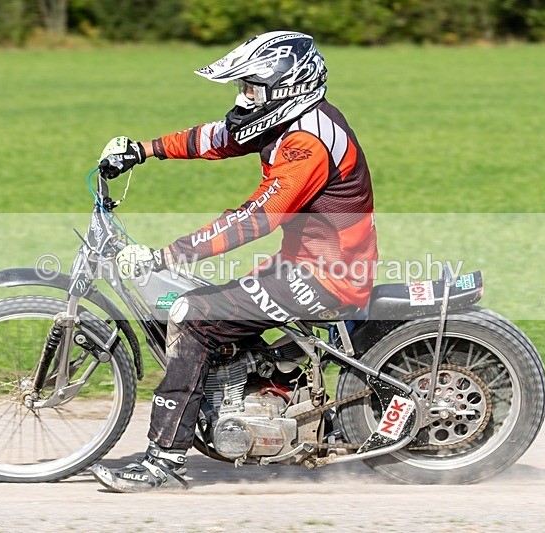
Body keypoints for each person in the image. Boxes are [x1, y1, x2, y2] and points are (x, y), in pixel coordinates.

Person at [90, 30, 378, 493]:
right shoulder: (288, 120)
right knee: (197, 298)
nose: (243, 99)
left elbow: (255, 218)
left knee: (192, 314)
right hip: (302, 262)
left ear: (285, 87)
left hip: (327, 276)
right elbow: (217, 138)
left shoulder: (309, 143)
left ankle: (163, 462)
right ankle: (256, 403)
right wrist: (142, 151)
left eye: (250, 88)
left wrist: (166, 253)